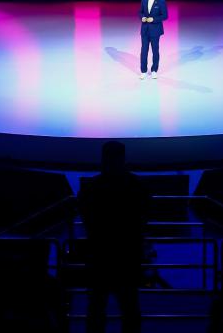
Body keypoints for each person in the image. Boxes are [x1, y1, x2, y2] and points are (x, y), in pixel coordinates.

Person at [77, 141, 150, 333]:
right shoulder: (137, 185)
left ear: (103, 158)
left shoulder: (91, 187)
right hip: (128, 256)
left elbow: (86, 218)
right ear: (123, 158)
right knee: (130, 307)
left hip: (99, 256)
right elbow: (144, 217)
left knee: (96, 307)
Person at [138, 0, 167, 80]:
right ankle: (143, 71)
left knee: (155, 50)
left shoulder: (161, 1)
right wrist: (142, 17)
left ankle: (154, 70)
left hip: (155, 30)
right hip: (145, 29)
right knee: (144, 50)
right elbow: (140, 12)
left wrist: (154, 19)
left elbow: (165, 15)